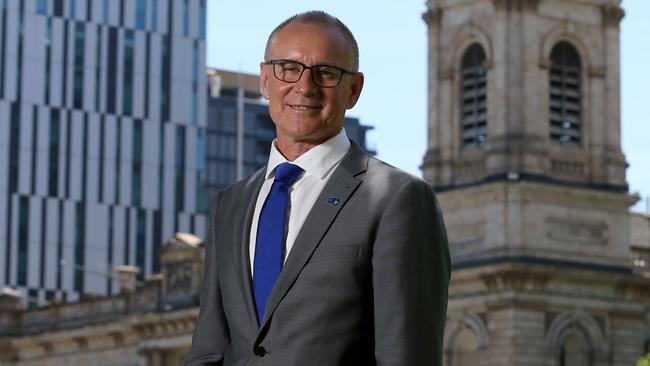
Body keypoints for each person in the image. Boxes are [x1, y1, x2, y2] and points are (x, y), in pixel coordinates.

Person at [184, 10, 450, 366]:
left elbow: (405, 355)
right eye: (288, 69)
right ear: (266, 80)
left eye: (326, 73)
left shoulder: (397, 198)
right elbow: (209, 350)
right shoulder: (230, 204)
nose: (304, 87)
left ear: (353, 89)